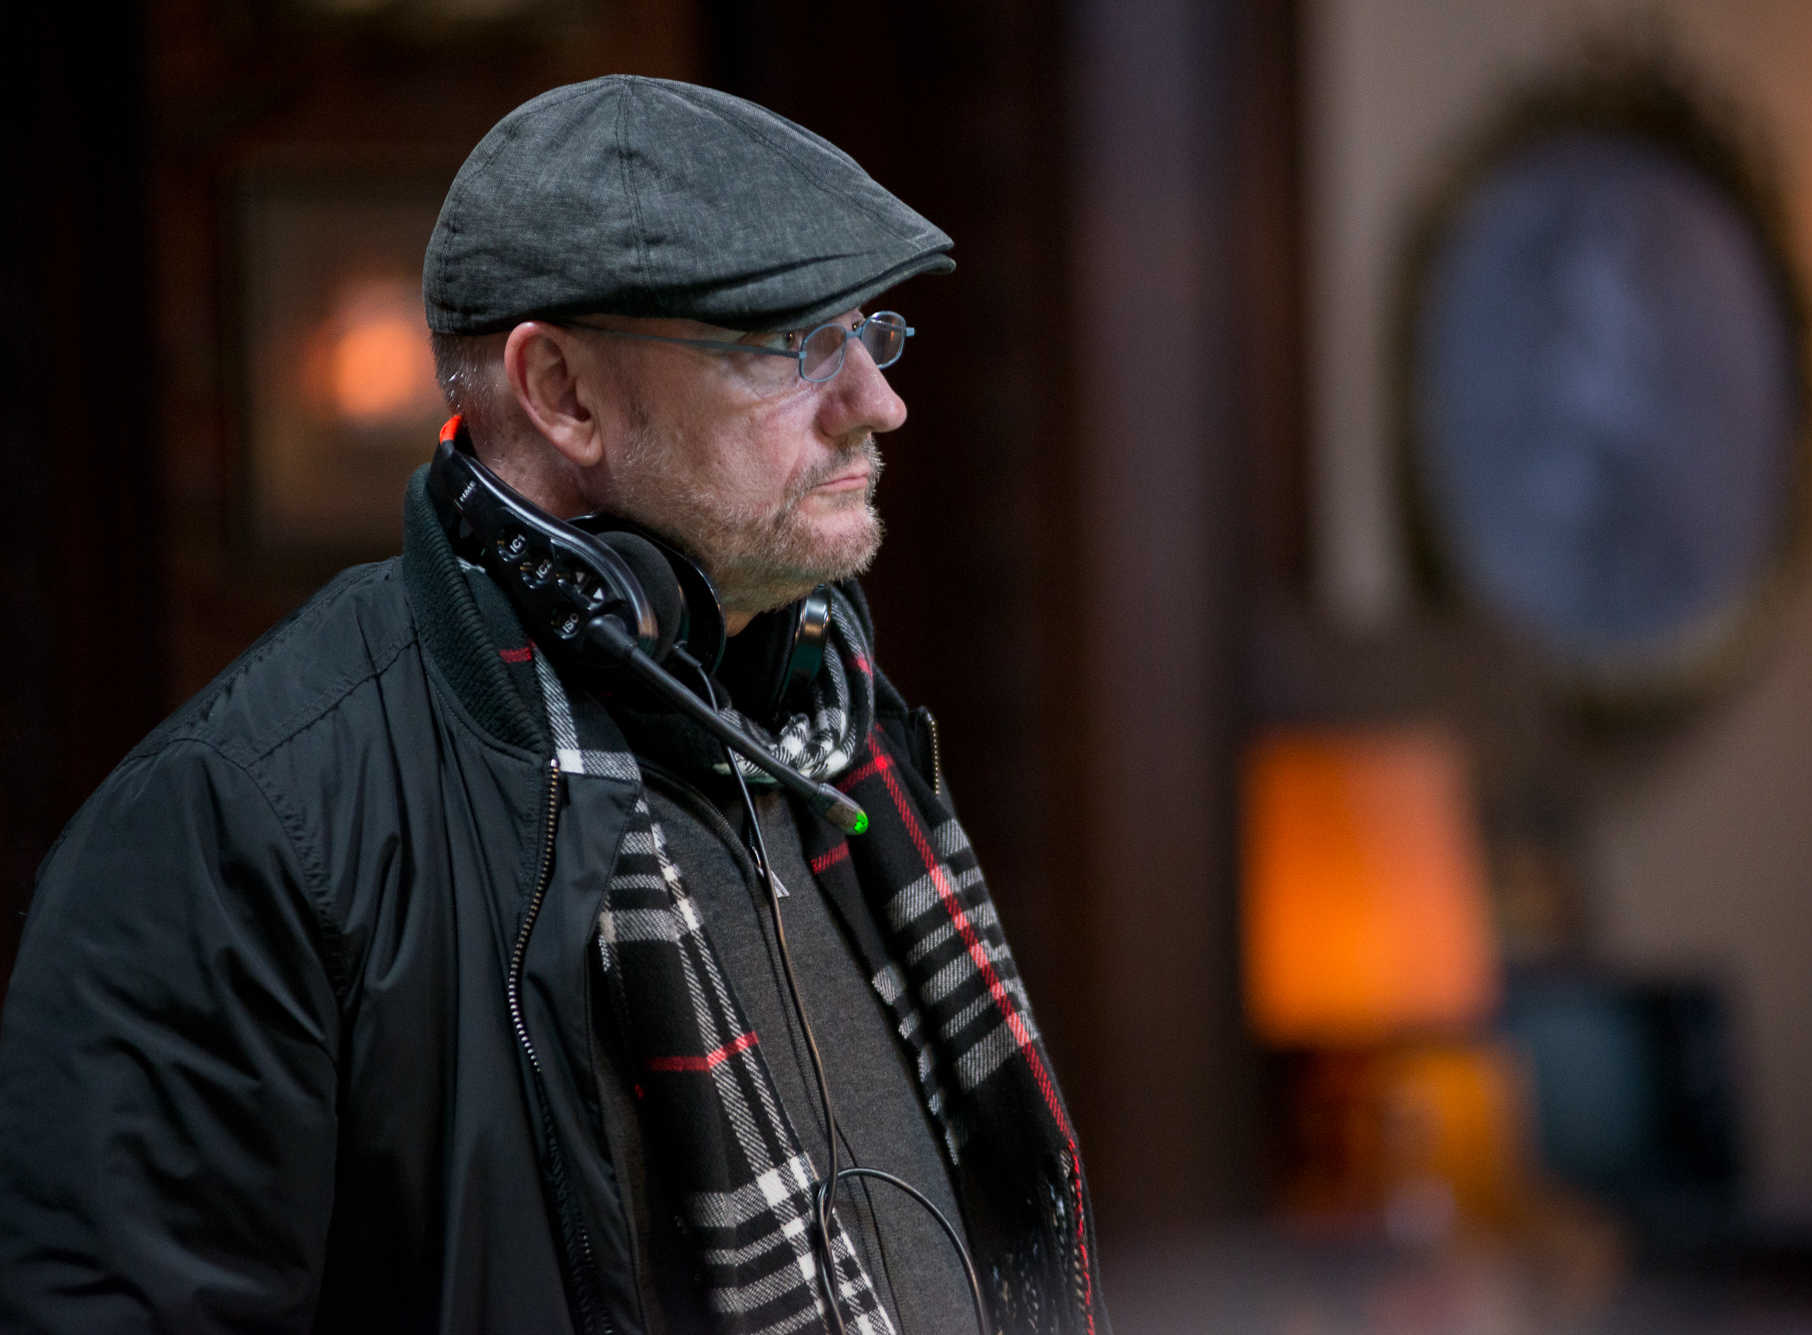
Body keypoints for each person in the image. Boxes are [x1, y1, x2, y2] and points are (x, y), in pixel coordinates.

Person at [0, 75, 1107, 1335]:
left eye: (870, 332)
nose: (878, 401)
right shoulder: (231, 828)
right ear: (563, 392)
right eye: (791, 342)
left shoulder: (835, 724)